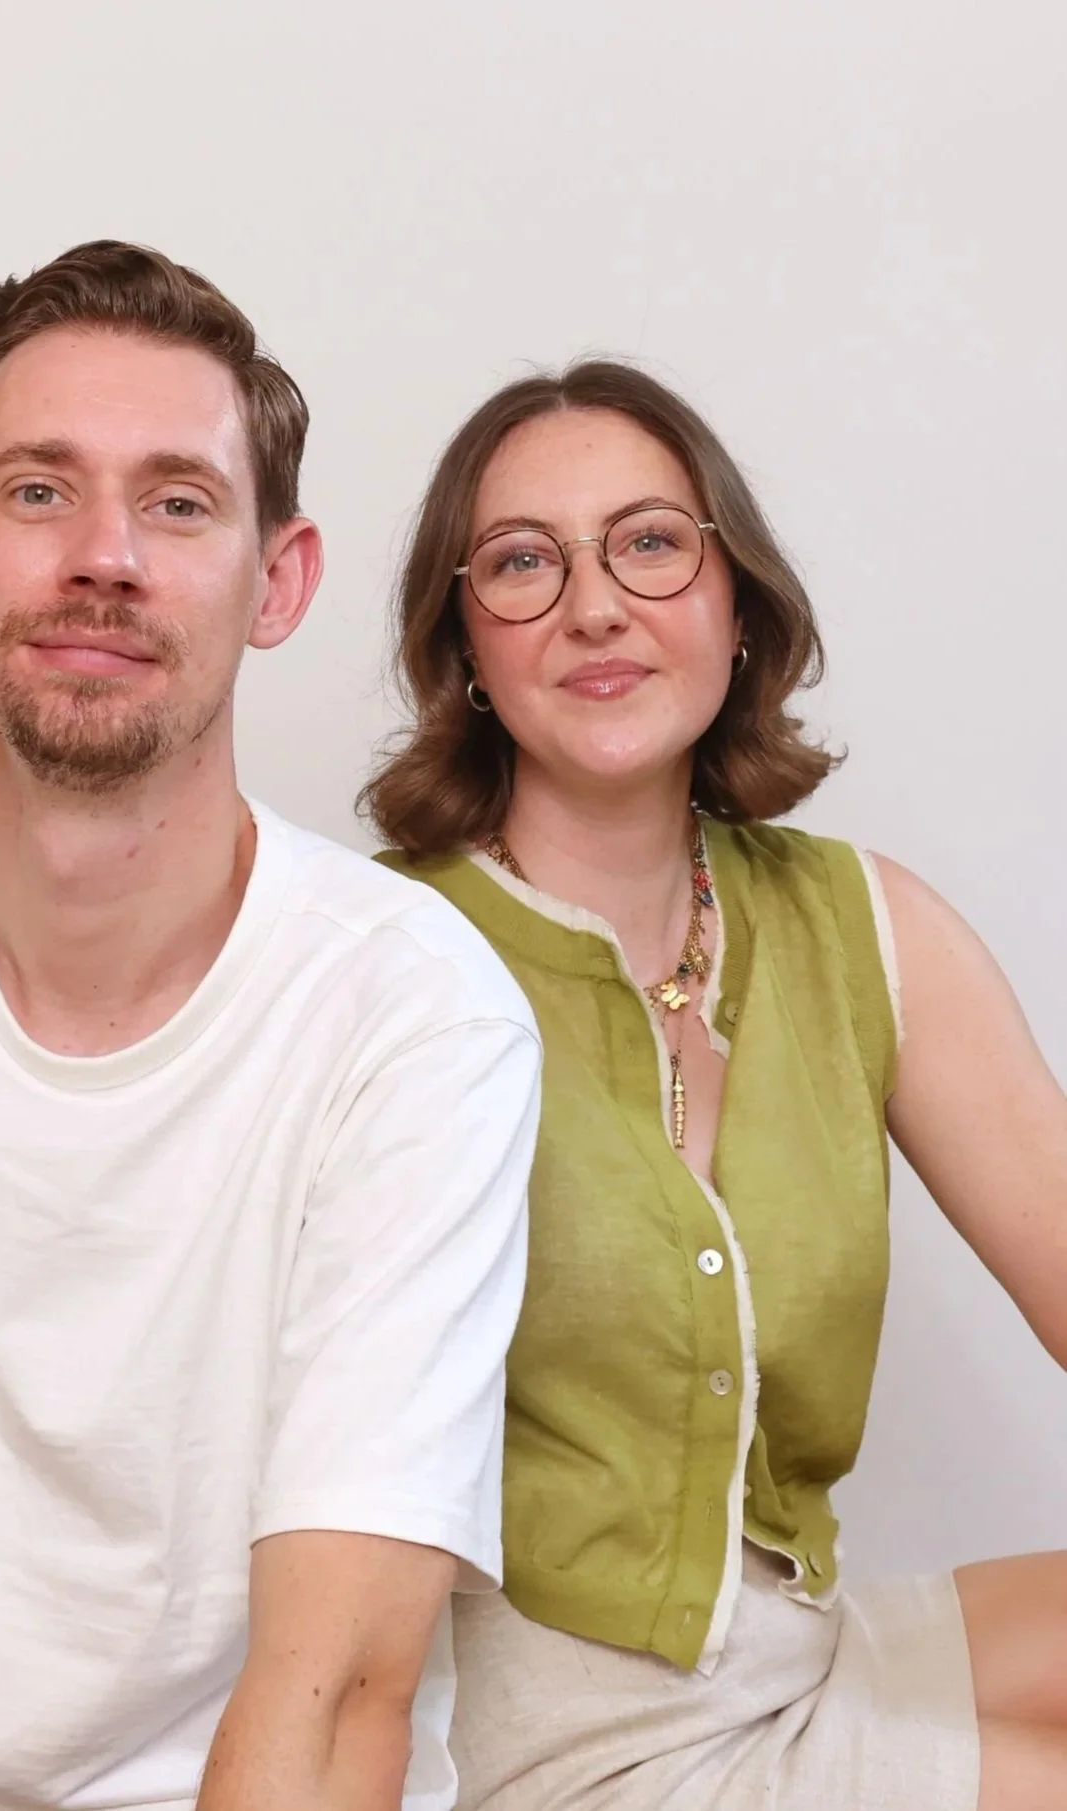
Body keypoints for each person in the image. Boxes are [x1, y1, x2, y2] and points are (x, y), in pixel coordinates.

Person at [0, 241, 542, 1811]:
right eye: (37, 492)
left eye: (175, 501)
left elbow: (342, 1688)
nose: (104, 557)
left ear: (276, 579)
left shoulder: (407, 1016)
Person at [363, 359, 1067, 1810]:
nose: (595, 604)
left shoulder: (861, 923)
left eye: (649, 541)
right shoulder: (378, 957)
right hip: (545, 1731)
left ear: (735, 606)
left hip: (789, 1651)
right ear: (464, 652)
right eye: (518, 564)